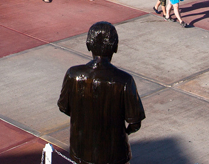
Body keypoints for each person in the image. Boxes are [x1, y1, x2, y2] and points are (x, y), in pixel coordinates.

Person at [57, 21, 145, 164]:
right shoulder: (124, 80)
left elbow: (64, 107)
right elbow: (135, 122)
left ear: (88, 45)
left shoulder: (73, 75)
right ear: (115, 47)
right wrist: (121, 133)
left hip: (81, 153)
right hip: (115, 156)